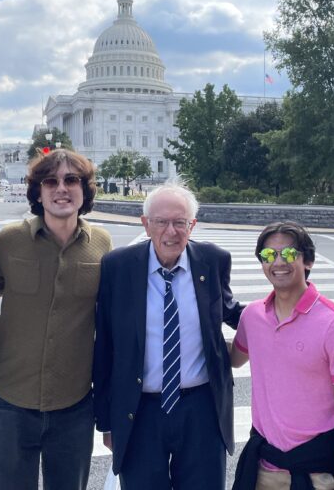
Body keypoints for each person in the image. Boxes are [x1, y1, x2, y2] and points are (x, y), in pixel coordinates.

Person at [93, 178, 244, 490]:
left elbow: (233, 312)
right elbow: (105, 345)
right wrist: (107, 420)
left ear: (193, 225)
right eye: (161, 222)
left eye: (180, 222)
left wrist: (285, 312)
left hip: (202, 408)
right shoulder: (118, 267)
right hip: (140, 410)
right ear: (146, 224)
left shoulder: (213, 261)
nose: (171, 232)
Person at [0, 148, 113, 490]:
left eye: (71, 180)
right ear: (37, 192)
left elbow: (111, 321)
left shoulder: (101, 243)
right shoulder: (9, 241)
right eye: (51, 181)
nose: (61, 188)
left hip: (73, 406)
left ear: (84, 190)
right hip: (11, 401)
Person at [230, 221, 334, 490]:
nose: (278, 261)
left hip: (315, 476)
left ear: (308, 261)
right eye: (269, 255)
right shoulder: (252, 317)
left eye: (289, 254)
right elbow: (233, 358)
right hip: (262, 471)